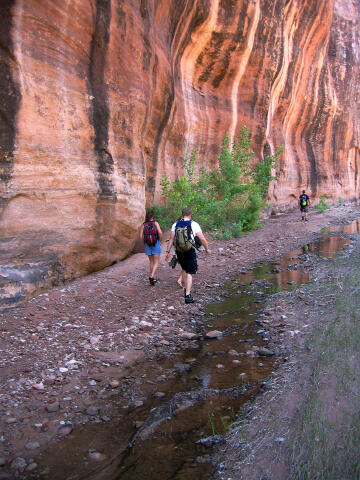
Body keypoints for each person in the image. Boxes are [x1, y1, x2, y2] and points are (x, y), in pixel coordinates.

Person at [165, 207, 210, 304]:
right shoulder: (194, 224)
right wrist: (206, 248)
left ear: (182, 214)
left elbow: (171, 239)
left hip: (179, 250)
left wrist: (167, 252)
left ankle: (186, 290)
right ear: (190, 215)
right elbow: (202, 238)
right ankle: (188, 295)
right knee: (189, 271)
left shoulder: (176, 224)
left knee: (185, 269)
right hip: (189, 250)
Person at [139, 211, 163, 285]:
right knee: (156, 262)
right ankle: (152, 276)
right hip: (156, 242)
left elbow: (140, 236)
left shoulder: (143, 225)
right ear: (152, 217)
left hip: (147, 244)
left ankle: (154, 278)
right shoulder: (156, 223)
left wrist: (144, 242)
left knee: (151, 261)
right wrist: (160, 240)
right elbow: (160, 232)